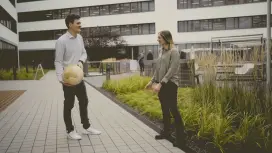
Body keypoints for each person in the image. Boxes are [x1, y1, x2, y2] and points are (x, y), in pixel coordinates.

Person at [54, 14, 101, 140]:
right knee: (69, 104)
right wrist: (61, 79)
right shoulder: (61, 41)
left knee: (84, 101)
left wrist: (80, 61)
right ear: (70, 24)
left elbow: (84, 53)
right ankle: (70, 130)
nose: (80, 25)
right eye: (78, 23)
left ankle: (86, 127)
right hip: (68, 79)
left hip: (79, 77)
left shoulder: (79, 37)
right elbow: (58, 61)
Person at [145, 30, 186, 149]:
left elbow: (172, 70)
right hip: (161, 84)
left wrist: (161, 83)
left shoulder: (174, 52)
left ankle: (181, 139)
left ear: (166, 38)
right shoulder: (161, 51)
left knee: (173, 110)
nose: (158, 39)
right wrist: (152, 81)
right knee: (164, 109)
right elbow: (158, 69)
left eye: (159, 37)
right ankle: (166, 132)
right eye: (158, 37)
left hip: (170, 84)